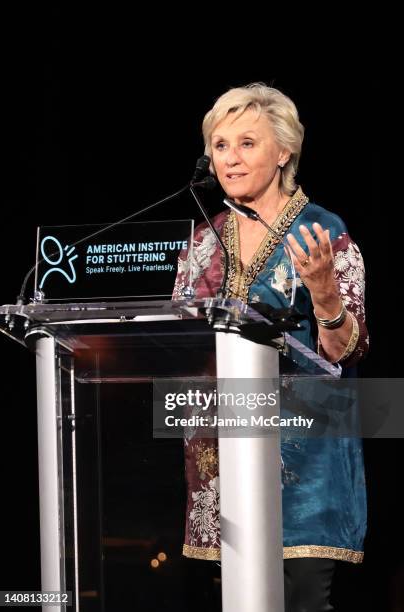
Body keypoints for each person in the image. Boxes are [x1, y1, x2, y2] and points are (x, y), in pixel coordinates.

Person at [173, 82, 369, 611]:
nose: (230, 159)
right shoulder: (199, 242)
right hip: (220, 451)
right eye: (219, 145)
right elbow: (177, 345)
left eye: (247, 143)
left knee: (301, 597)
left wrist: (325, 293)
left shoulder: (322, 232)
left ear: (283, 151)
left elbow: (345, 352)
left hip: (307, 456)